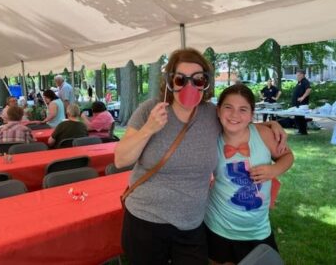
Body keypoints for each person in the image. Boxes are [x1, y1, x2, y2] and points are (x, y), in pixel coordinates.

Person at [114, 48, 287, 265]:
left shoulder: (210, 114)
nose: (189, 86)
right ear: (170, 82)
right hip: (146, 220)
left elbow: (236, 121)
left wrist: (271, 125)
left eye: (197, 80)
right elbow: (121, 159)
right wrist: (149, 128)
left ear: (205, 83)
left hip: (192, 224)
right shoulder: (151, 110)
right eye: (180, 79)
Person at [204, 84, 294, 264]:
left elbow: (287, 156)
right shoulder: (210, 138)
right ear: (218, 111)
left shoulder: (263, 134)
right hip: (219, 225)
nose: (235, 115)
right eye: (228, 107)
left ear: (252, 114)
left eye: (243, 109)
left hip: (258, 229)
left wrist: (273, 170)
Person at [292, 69, 311, 135]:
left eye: (298, 75)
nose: (297, 76)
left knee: (300, 118)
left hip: (302, 104)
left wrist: (302, 97)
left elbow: (308, 90)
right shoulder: (299, 82)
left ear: (303, 75)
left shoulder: (305, 81)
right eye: (297, 75)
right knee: (298, 117)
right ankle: (301, 131)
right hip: (298, 105)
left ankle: (303, 131)